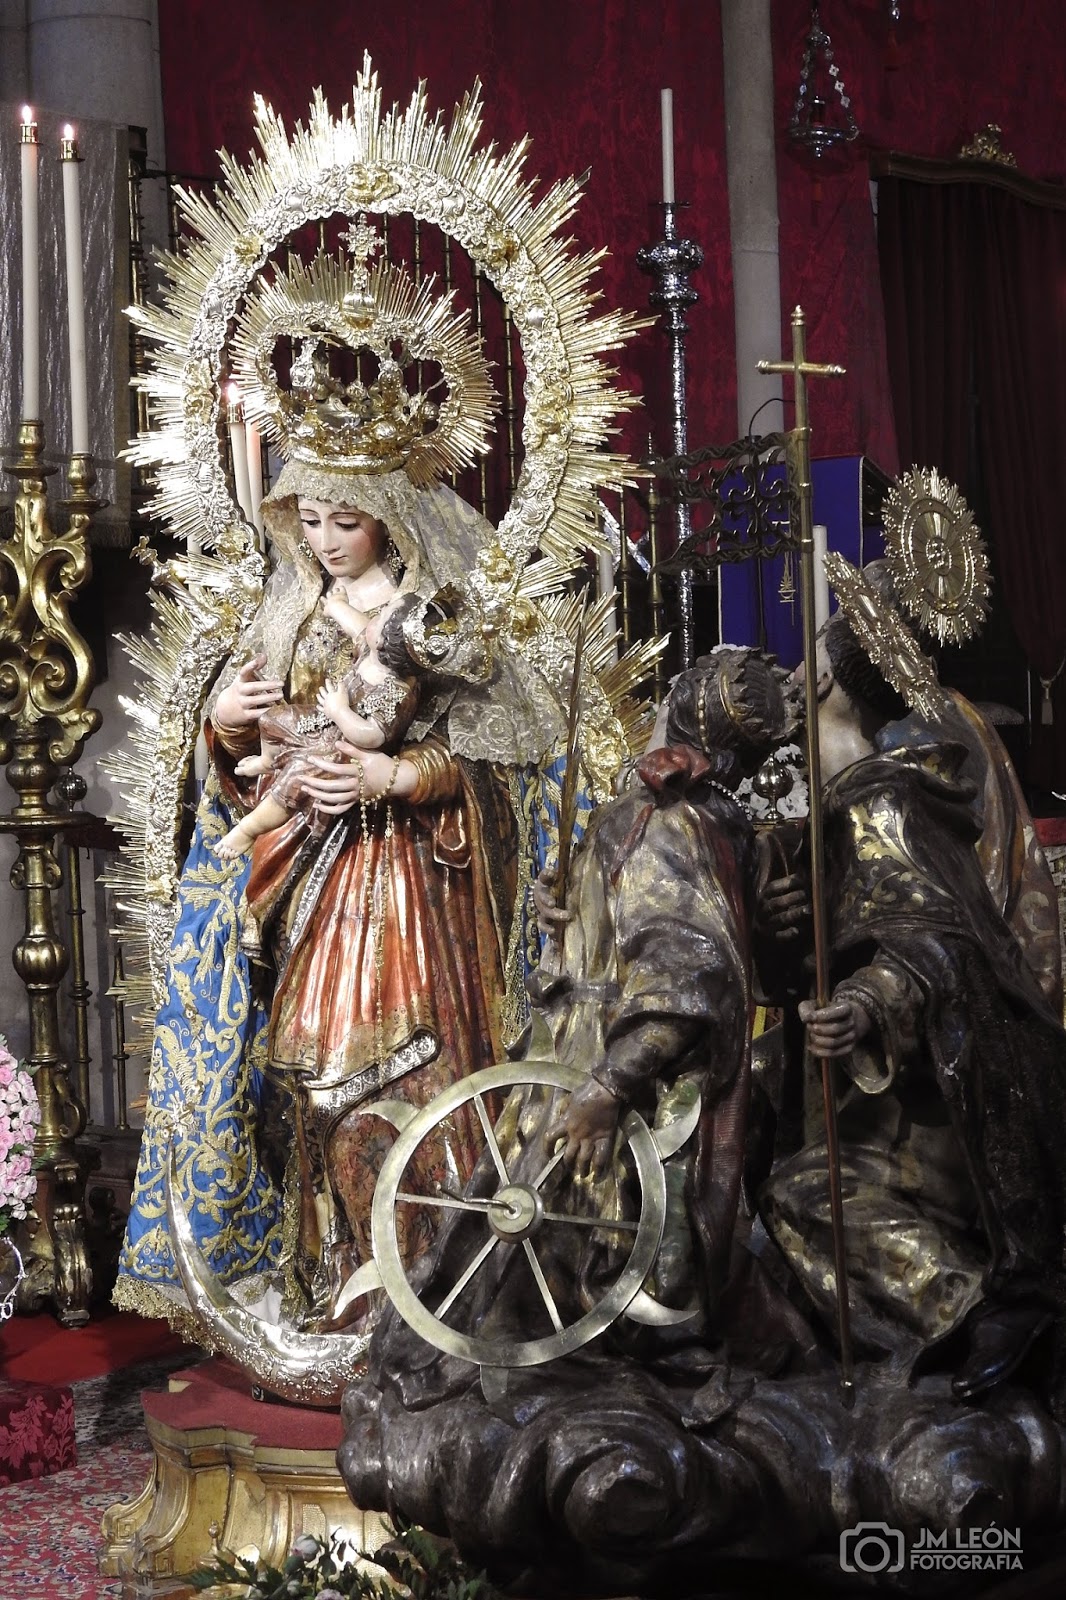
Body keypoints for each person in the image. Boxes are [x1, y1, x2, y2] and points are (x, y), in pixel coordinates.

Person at [114, 261, 566, 1341]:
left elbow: (506, 764)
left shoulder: (434, 618)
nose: (321, 540)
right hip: (308, 878)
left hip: (413, 884)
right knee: (311, 1071)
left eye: (345, 521)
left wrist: (395, 775)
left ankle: (434, 1288)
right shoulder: (290, 610)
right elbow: (246, 749)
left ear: (393, 520)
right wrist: (227, 728)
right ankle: (334, 1279)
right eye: (309, 518)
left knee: (409, 1071)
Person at [364, 649, 817, 1394]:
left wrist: (607, 1088)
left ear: (677, 714)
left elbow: (684, 975)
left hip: (623, 1063)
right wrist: (567, 906)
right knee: (552, 1231)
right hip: (597, 1045)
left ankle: (606, 1368)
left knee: (598, 1237)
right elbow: (643, 937)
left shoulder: (667, 822)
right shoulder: (702, 819)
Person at [758, 572, 1066, 1411]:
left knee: (804, 1195)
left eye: (807, 653)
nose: (792, 671)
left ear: (826, 676)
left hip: (936, 1109)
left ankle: (984, 1315)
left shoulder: (881, 803)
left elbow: (938, 943)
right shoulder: (856, 800)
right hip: (893, 1088)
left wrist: (868, 1001)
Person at [215, 589, 428, 858]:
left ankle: (248, 829)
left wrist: (339, 711)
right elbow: (357, 626)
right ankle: (268, 760)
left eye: (381, 616)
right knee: (272, 719)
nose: (373, 618)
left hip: (341, 751)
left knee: (297, 778)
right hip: (321, 721)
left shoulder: (395, 690)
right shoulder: (370, 652)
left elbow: (373, 735)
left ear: (384, 642)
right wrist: (337, 605)